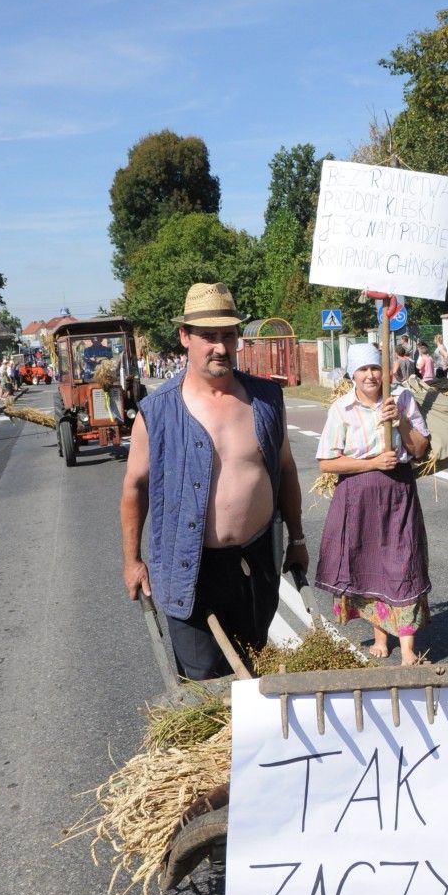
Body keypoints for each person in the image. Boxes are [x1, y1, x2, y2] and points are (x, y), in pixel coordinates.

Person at [120, 281, 308, 680]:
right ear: (185, 337)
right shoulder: (157, 411)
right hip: (188, 568)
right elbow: (135, 487)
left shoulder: (266, 400)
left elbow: (286, 469)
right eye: (208, 336)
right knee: (205, 680)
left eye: (228, 335)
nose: (220, 347)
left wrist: (297, 539)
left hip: (256, 562)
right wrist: (132, 560)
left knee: (255, 669)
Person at [314, 343, 431, 665]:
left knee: (403, 561)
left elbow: (420, 449)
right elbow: (327, 462)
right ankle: (380, 635)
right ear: (352, 374)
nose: (370, 375)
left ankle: (407, 648)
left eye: (375, 368)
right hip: (358, 496)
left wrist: (400, 420)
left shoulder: (402, 399)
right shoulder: (342, 408)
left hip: (398, 493)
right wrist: (373, 463)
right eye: (363, 369)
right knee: (368, 563)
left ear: (385, 371)